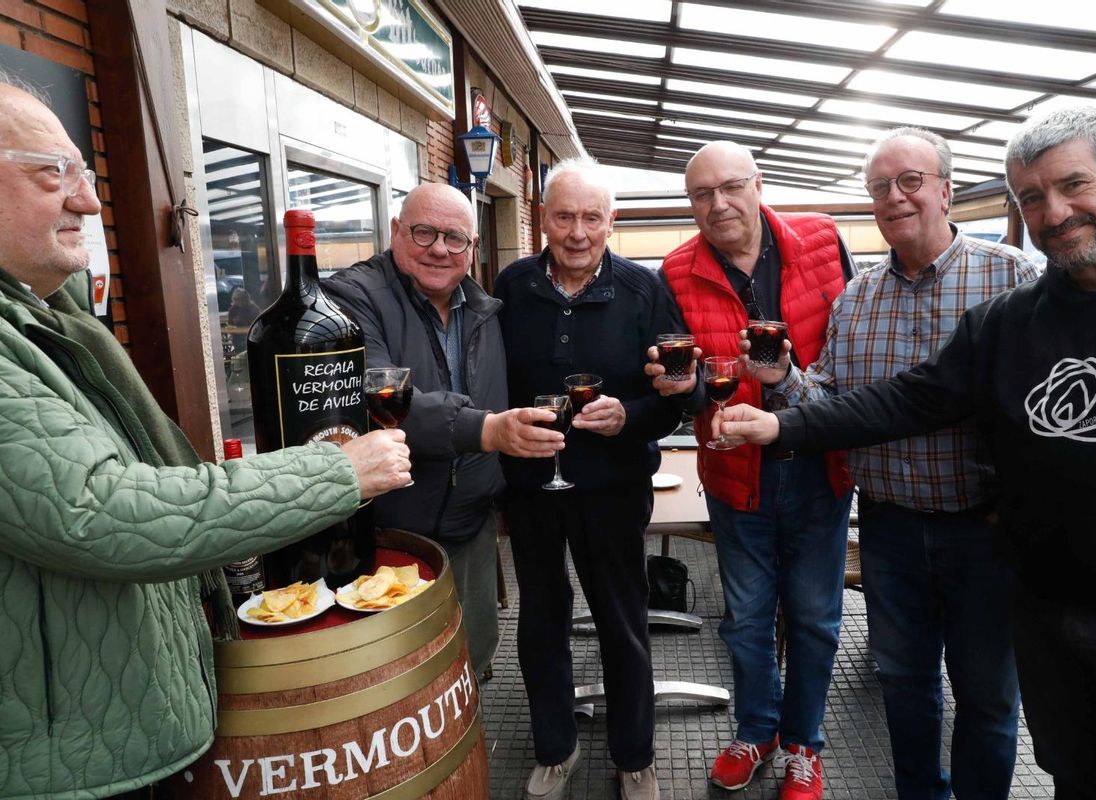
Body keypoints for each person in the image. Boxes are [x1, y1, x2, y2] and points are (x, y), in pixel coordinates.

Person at [717, 105, 1096, 800]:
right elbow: (905, 398)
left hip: (1089, 581)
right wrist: (781, 411)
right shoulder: (908, 305)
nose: (1054, 212)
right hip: (944, 548)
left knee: (1002, 706)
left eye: (1073, 187)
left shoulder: (1015, 280)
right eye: (1032, 197)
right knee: (948, 706)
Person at [0, 77, 412, 798]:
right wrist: (335, 474)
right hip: (56, 762)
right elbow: (100, 509)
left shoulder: (47, 321)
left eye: (85, 174)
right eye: (52, 173)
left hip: (91, 728)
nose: (88, 201)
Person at [764, 127, 1037, 800]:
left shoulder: (1012, 276)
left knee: (989, 696)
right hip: (887, 527)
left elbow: (1043, 400)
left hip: (986, 529)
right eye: (881, 187)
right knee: (905, 686)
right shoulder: (856, 299)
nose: (895, 196)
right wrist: (780, 378)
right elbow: (828, 395)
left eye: (910, 180)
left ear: (947, 189)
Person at [648, 140, 855, 800]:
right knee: (745, 619)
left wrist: (791, 383)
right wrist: (674, 388)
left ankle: (802, 746)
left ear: (758, 184)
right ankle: (757, 731)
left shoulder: (824, 241)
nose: (719, 203)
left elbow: (850, 357)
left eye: (731, 186)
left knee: (817, 618)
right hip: (737, 473)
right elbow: (684, 385)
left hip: (820, 465)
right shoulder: (675, 270)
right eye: (703, 194)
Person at [494, 157, 680, 800]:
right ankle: (555, 748)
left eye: (591, 217)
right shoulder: (512, 286)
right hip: (531, 488)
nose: (578, 231)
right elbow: (494, 387)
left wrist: (630, 414)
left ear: (611, 221)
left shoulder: (643, 291)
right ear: (542, 219)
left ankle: (636, 757)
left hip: (613, 488)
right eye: (565, 216)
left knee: (622, 621)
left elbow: (676, 399)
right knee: (540, 619)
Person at [324, 182, 561, 679]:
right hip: (389, 530)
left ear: (472, 250)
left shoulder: (484, 309)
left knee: (469, 663)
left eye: (454, 238)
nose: (438, 248)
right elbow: (376, 398)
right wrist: (489, 431)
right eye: (423, 232)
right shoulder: (351, 297)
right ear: (395, 232)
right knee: (399, 678)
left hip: (470, 525)